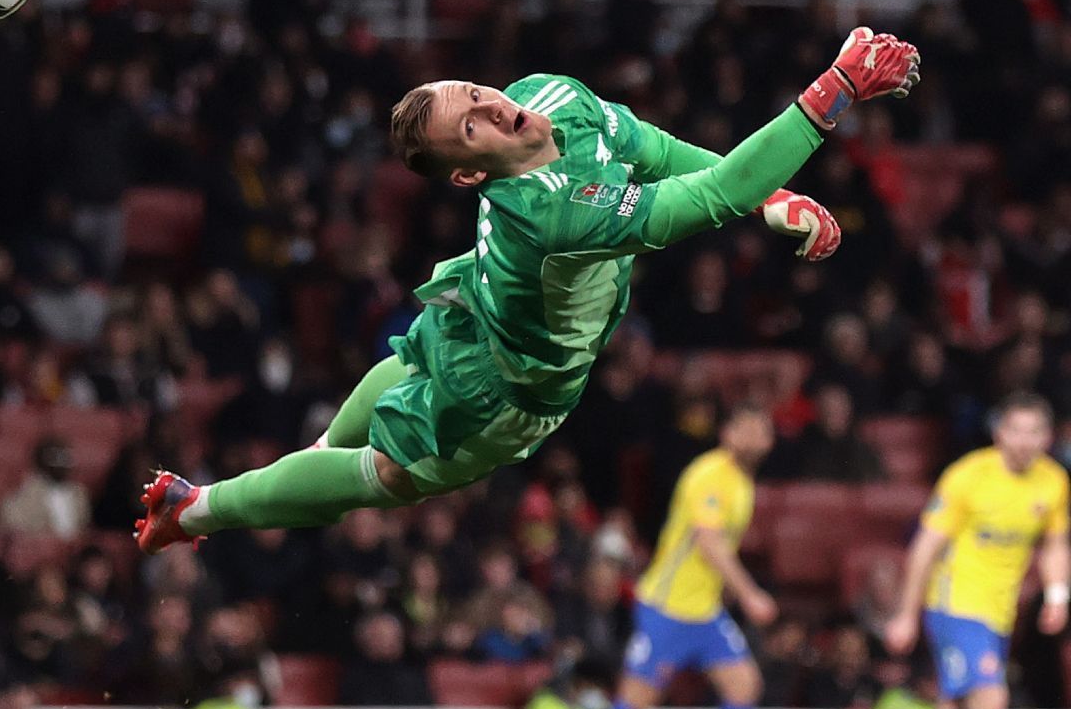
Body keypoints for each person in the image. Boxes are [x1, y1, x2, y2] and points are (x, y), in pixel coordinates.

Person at [132, 28, 920, 555]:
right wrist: (835, 89)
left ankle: (304, 472)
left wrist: (771, 199)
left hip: (480, 305)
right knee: (389, 477)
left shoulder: (553, 94)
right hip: (513, 386)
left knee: (389, 398)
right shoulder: (553, 212)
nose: (489, 105)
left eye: (473, 91)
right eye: (470, 126)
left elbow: (658, 151)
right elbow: (709, 197)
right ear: (470, 173)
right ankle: (197, 509)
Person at [883, 392, 1070, 709]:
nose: (1024, 441)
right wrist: (906, 614)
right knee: (990, 702)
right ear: (999, 432)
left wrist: (1058, 595)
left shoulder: (1053, 482)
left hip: (1000, 612)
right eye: (1016, 430)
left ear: (1048, 437)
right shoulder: (968, 476)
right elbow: (924, 548)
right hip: (956, 604)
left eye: (1034, 432)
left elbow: (1055, 544)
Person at [602, 405, 779, 709]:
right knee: (637, 699)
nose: (759, 436)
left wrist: (724, 590)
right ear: (728, 434)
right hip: (667, 608)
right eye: (749, 428)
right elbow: (708, 542)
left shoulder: (743, 483)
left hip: (705, 611)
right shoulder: (710, 474)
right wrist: (749, 594)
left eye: (765, 431)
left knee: (743, 685)